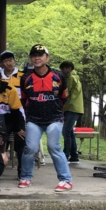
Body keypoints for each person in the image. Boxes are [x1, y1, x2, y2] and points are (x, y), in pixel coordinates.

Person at [19, 45, 73, 192]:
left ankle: (65, 180)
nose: (37, 58)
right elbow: (24, 99)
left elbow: (64, 97)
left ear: (47, 58)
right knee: (30, 148)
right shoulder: (26, 77)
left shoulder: (58, 76)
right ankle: (25, 177)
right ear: (31, 58)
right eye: (34, 55)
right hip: (33, 119)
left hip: (54, 118)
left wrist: (54, 109)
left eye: (41, 55)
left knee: (53, 146)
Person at [60, 61, 84, 163]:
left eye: (64, 69)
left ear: (69, 68)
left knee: (65, 131)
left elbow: (66, 94)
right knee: (69, 132)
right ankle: (74, 156)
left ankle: (65, 155)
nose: (62, 71)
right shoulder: (75, 77)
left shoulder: (70, 78)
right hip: (75, 108)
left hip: (72, 108)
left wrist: (61, 105)